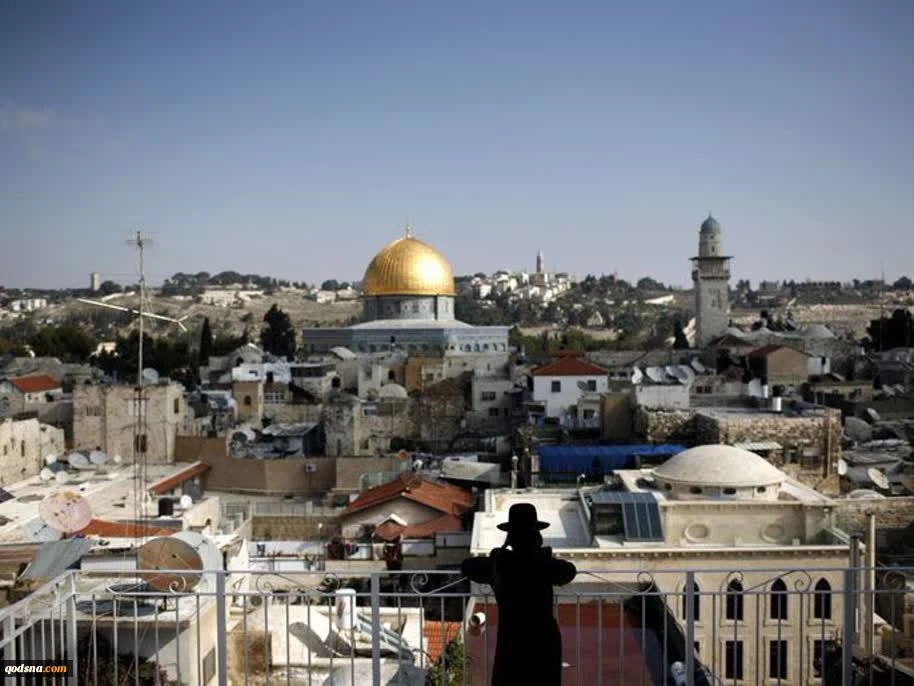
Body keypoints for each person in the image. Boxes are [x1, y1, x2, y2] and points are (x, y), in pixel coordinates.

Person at [461, 503, 577, 686]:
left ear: (511, 536)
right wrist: (543, 556)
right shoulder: (543, 563)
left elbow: (467, 567)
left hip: (512, 639)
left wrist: (498, 555)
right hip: (543, 639)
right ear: (536, 534)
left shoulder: (501, 564)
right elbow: (569, 571)